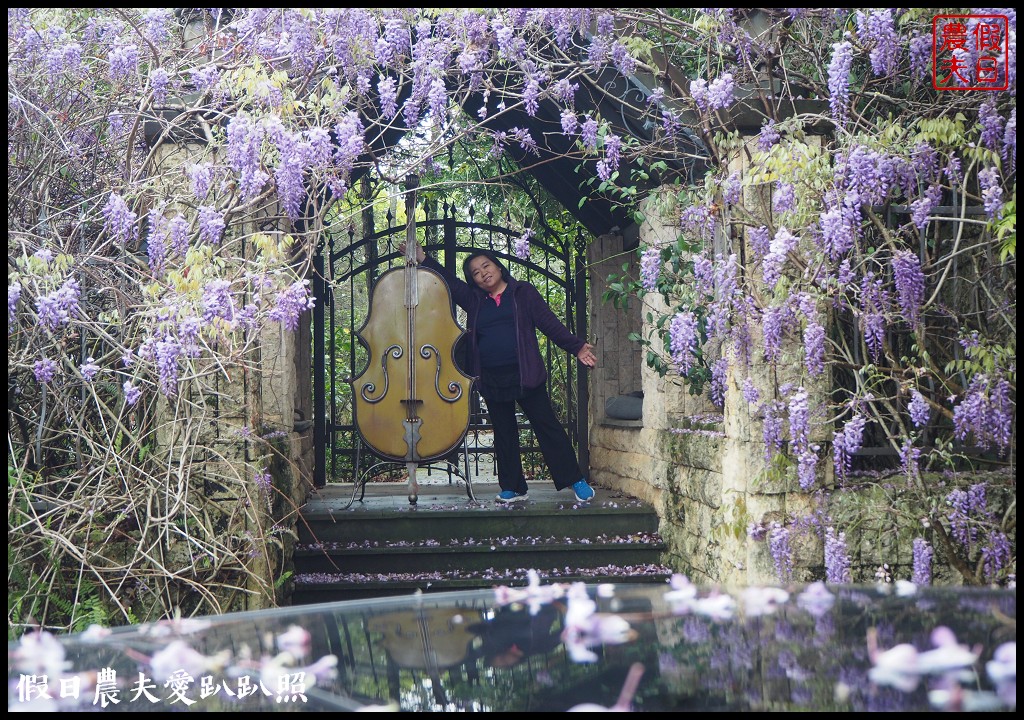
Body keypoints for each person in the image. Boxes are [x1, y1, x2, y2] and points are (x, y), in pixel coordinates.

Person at [399, 239, 598, 504]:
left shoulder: (522, 293)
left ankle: (575, 480)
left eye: (486, 266)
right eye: (476, 273)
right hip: (492, 378)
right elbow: (449, 283)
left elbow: (549, 324)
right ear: (474, 281)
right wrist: (424, 259)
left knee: (547, 427)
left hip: (526, 375)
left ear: (499, 266)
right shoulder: (474, 300)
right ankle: (514, 488)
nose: (483, 273)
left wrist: (576, 347)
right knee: (504, 433)